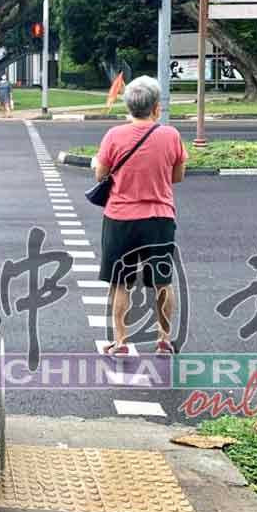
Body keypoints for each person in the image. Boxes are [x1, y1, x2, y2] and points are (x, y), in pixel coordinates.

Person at [93, 76, 188, 356]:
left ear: (128, 106)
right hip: (159, 219)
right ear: (156, 107)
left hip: (120, 219)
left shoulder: (114, 136)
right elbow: (177, 176)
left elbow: (100, 175)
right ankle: (163, 339)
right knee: (162, 282)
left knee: (120, 282)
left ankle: (121, 341)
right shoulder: (171, 136)